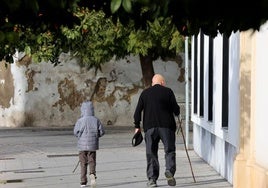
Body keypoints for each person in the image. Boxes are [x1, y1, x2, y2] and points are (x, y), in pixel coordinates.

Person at [134, 74, 180, 187]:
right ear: (163, 82)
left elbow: (137, 112)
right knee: (169, 150)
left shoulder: (145, 93)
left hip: (150, 128)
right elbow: (176, 109)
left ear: (152, 83)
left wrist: (137, 126)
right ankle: (169, 170)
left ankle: (152, 179)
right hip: (167, 127)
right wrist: (177, 112)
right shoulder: (168, 91)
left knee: (151, 153)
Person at [74, 101, 105, 188]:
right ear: (92, 110)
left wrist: (80, 136)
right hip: (92, 146)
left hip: (82, 146)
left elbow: (75, 132)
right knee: (92, 162)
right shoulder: (96, 120)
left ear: (82, 110)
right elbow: (102, 132)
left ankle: (83, 182)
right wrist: (96, 136)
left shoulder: (80, 121)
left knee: (83, 163)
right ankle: (92, 177)